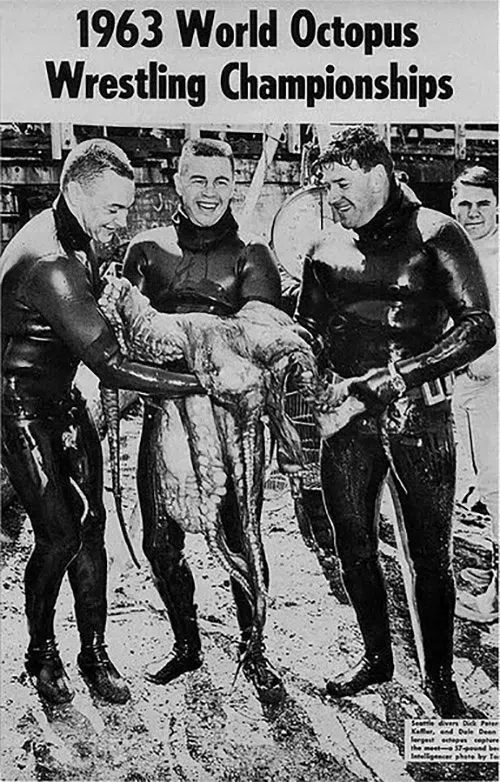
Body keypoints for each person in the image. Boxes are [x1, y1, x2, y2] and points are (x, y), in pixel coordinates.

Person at [294, 126, 495, 718]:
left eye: (341, 183)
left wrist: (398, 376)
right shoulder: (323, 247)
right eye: (326, 186)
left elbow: (478, 327)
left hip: (420, 419)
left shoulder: (437, 233)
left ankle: (440, 680)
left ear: (378, 174)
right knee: (353, 544)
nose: (332, 197)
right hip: (347, 422)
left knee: (429, 557)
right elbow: (308, 329)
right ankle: (376, 658)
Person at [1, 139, 206, 706]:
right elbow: (111, 365)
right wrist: (201, 382)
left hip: (63, 400)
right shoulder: (51, 260)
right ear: (74, 192)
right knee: (60, 535)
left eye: (127, 207)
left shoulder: (79, 235)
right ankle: (41, 652)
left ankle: (94, 653)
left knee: (93, 529)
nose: (123, 220)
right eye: (113, 209)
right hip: (19, 410)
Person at [122, 138, 285, 704]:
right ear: (178, 181)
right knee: (159, 541)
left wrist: (194, 348)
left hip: (230, 421)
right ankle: (186, 643)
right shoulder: (146, 251)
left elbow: (259, 342)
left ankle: (254, 648)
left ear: (234, 185)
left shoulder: (253, 256)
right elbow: (125, 333)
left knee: (243, 537)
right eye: (199, 179)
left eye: (221, 181)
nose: (210, 192)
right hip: (163, 412)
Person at [450, 166, 498, 624]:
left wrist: (489, 363)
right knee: (484, 482)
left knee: (498, 487)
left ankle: (496, 599)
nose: (473, 212)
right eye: (465, 203)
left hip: (495, 385)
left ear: (498, 207)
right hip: (464, 386)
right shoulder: (453, 250)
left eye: (483, 203)